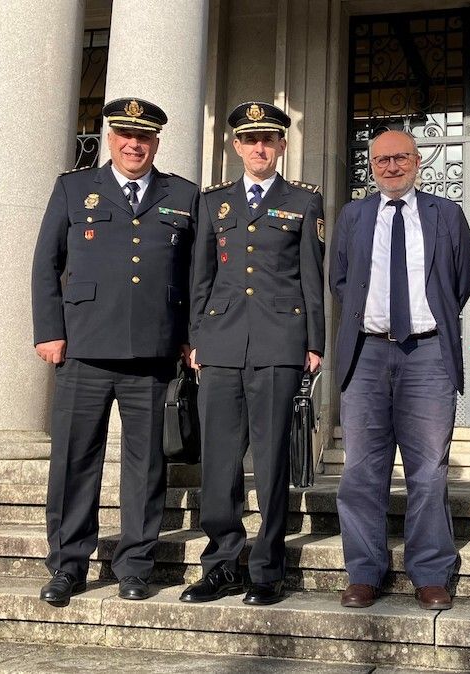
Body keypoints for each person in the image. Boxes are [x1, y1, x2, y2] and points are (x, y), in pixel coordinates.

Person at [31, 97, 198, 605]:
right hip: (83, 347)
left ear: (156, 142)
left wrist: (191, 337)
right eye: (126, 135)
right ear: (110, 139)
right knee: (74, 462)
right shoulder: (74, 187)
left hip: (152, 352)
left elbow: (196, 277)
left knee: (146, 467)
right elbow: (46, 265)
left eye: (144, 137)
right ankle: (67, 564)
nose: (134, 144)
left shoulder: (184, 195)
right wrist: (49, 331)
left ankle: (135, 566)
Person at [180, 101, 325, 607]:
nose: (259, 148)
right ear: (236, 146)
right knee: (219, 461)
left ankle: (267, 568)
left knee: (270, 461)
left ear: (282, 146)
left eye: (269, 140)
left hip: (278, 343)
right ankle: (220, 564)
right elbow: (200, 277)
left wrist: (314, 343)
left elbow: (312, 276)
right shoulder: (213, 202)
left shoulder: (304, 200)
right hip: (220, 343)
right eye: (249, 140)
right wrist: (196, 337)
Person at [329, 130, 470, 611]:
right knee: (360, 470)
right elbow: (341, 279)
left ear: (418, 160)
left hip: (428, 354)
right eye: (380, 160)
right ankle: (364, 572)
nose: (390, 167)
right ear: (370, 166)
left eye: (399, 158)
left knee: (429, 470)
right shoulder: (353, 215)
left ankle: (431, 572)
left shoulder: (446, 215)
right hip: (367, 353)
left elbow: (461, 278)